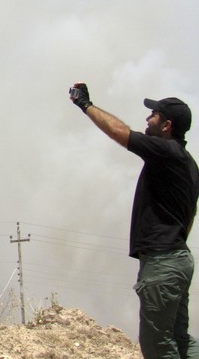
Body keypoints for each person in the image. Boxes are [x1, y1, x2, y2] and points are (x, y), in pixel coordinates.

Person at [70, 83, 199, 358]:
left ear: (166, 126)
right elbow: (191, 214)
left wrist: (86, 105)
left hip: (163, 264)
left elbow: (120, 133)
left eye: (153, 114)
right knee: (179, 338)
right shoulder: (188, 162)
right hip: (179, 259)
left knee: (158, 345)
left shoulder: (165, 152)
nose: (147, 118)